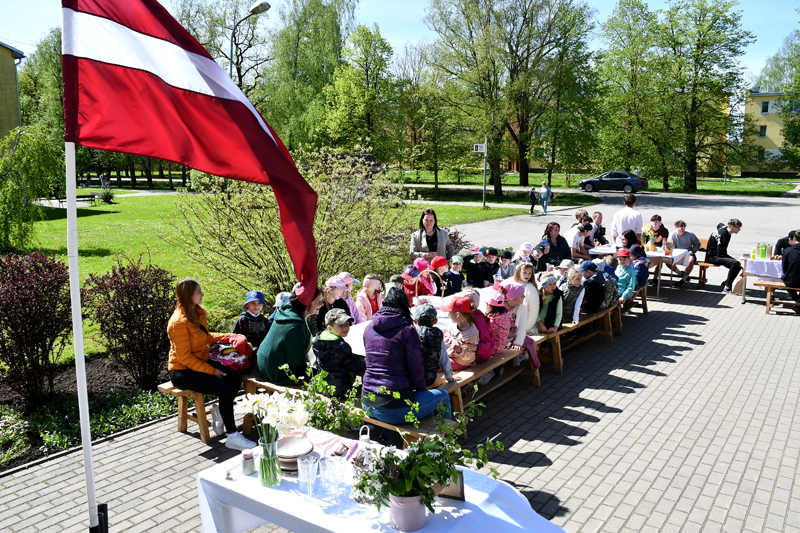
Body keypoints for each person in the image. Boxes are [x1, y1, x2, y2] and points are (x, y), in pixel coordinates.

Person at [167, 278, 256, 450]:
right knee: (224, 387)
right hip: (182, 371)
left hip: (199, 362)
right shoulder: (177, 323)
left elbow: (206, 338)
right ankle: (232, 437)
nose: (202, 294)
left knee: (234, 377)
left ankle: (221, 413)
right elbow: (185, 358)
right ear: (188, 295)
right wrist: (212, 370)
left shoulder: (196, 312)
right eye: (198, 291)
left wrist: (230, 336)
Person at [361, 287, 451, 444]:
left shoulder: (368, 328)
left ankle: (385, 436)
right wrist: (422, 391)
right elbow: (416, 371)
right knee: (443, 396)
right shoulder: (407, 331)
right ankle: (446, 444)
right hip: (394, 409)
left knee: (395, 397)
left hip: (367, 402)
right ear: (404, 307)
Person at [257, 287, 323, 386]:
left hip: (265, 363)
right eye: (318, 301)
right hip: (276, 371)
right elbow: (296, 362)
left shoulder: (294, 313)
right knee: (324, 379)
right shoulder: (295, 326)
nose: (321, 303)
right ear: (307, 304)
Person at [311, 308, 366, 399]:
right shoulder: (341, 346)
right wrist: (366, 363)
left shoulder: (319, 341)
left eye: (347, 324)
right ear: (329, 327)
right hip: (340, 390)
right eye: (341, 325)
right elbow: (355, 366)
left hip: (322, 387)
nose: (345, 327)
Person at [413, 304, 455, 386]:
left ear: (415, 321)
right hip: (430, 378)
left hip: (412, 379)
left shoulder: (411, 333)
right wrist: (450, 377)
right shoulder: (438, 335)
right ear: (435, 321)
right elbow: (444, 359)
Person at [442, 296, 479, 370]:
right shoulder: (453, 324)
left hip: (460, 361)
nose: (448, 315)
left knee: (437, 365)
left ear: (457, 315)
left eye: (450, 312)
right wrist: (452, 341)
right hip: (450, 353)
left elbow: (470, 357)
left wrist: (460, 350)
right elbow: (446, 336)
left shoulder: (471, 334)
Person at [707, 218, 743, 293]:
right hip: (713, 257)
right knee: (735, 264)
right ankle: (727, 287)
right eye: (738, 228)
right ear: (732, 227)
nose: (739, 230)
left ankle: (726, 282)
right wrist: (733, 260)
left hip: (718, 255)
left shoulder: (725, 229)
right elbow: (721, 254)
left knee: (738, 266)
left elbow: (719, 224)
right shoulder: (723, 235)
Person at [232, 290, 270, 357]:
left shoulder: (265, 320)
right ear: (247, 304)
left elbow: (268, 336)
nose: (256, 306)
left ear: (262, 305)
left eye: (259, 303)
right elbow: (235, 336)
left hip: (262, 350)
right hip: (246, 350)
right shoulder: (243, 319)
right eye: (253, 303)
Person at [667, 220, 701, 288]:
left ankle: (683, 279)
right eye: (680, 230)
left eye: (683, 229)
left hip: (688, 253)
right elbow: (669, 246)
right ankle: (680, 273)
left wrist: (693, 250)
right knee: (667, 260)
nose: (682, 231)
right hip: (677, 254)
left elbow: (697, 244)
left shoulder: (690, 234)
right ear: (675, 228)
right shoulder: (672, 235)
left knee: (691, 261)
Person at [513, 262, 540, 335]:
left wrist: (525, 328)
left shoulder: (531, 289)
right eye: (524, 272)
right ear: (519, 272)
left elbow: (533, 312)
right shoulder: (512, 285)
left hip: (524, 326)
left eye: (529, 273)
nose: (527, 275)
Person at [781, 230, 800, 314]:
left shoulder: (788, 250)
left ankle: (798, 301)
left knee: (785, 279)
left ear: (794, 239)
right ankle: (798, 302)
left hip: (791, 280)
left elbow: (784, 268)